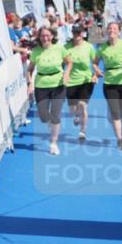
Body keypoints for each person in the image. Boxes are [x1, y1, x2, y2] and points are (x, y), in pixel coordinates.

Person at [96, 21, 122, 150]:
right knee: (115, 112)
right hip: (110, 83)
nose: (112, 31)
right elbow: (94, 62)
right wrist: (96, 70)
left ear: (119, 31)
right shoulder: (102, 48)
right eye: (109, 28)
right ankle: (120, 139)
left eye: (115, 29)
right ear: (107, 31)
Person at [27, 25, 66, 155]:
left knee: (55, 115)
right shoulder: (36, 51)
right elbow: (30, 69)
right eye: (42, 35)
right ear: (39, 37)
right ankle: (49, 120)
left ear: (52, 36)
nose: (45, 38)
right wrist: (30, 83)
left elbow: (69, 62)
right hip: (41, 85)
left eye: (47, 35)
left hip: (58, 84)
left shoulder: (60, 48)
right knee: (43, 117)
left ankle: (53, 143)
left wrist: (67, 74)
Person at [62, 24, 97, 142]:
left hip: (86, 80)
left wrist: (95, 75)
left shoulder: (89, 47)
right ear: (72, 34)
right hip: (71, 82)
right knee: (73, 109)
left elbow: (95, 62)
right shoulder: (66, 47)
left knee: (82, 105)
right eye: (75, 32)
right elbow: (61, 63)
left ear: (83, 34)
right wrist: (62, 74)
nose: (77, 35)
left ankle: (82, 131)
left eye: (79, 32)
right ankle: (76, 115)